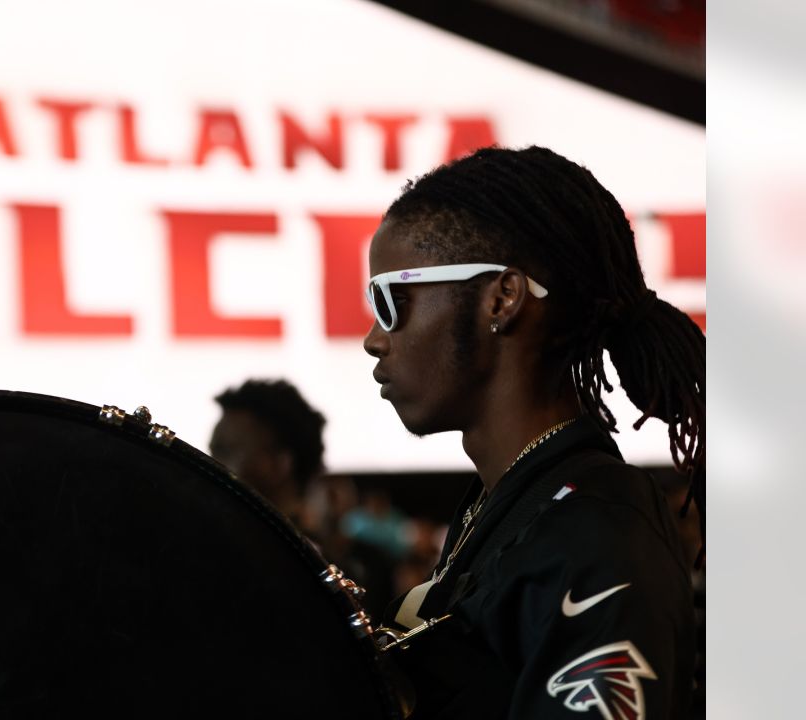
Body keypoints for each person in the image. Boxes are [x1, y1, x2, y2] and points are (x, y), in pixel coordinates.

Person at [361, 146, 703, 719]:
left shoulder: (598, 541)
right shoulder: (508, 507)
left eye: (391, 300)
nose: (374, 337)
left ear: (502, 297)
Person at [210, 379, 396, 613]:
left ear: (280, 464)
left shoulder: (313, 571)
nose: (210, 464)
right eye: (212, 451)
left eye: (225, 451)